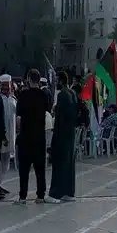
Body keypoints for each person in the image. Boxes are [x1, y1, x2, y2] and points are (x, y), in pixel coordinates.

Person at [15, 69, 50, 204]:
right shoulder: (44, 95)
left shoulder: (23, 95)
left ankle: (23, 196)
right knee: (40, 168)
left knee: (24, 169)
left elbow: (18, 118)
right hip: (39, 136)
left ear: (29, 79)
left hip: (25, 136)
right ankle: (40, 195)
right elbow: (47, 113)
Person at [48, 71, 78, 203]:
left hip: (62, 134)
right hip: (71, 134)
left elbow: (60, 117)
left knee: (59, 163)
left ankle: (56, 193)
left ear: (60, 80)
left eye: (56, 80)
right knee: (69, 163)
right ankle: (69, 192)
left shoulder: (62, 95)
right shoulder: (73, 93)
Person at [0, 74, 17, 196]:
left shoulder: (13, 99)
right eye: (3, 85)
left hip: (11, 135)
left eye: (7, 85)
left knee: (6, 161)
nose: (6, 88)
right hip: (0, 136)